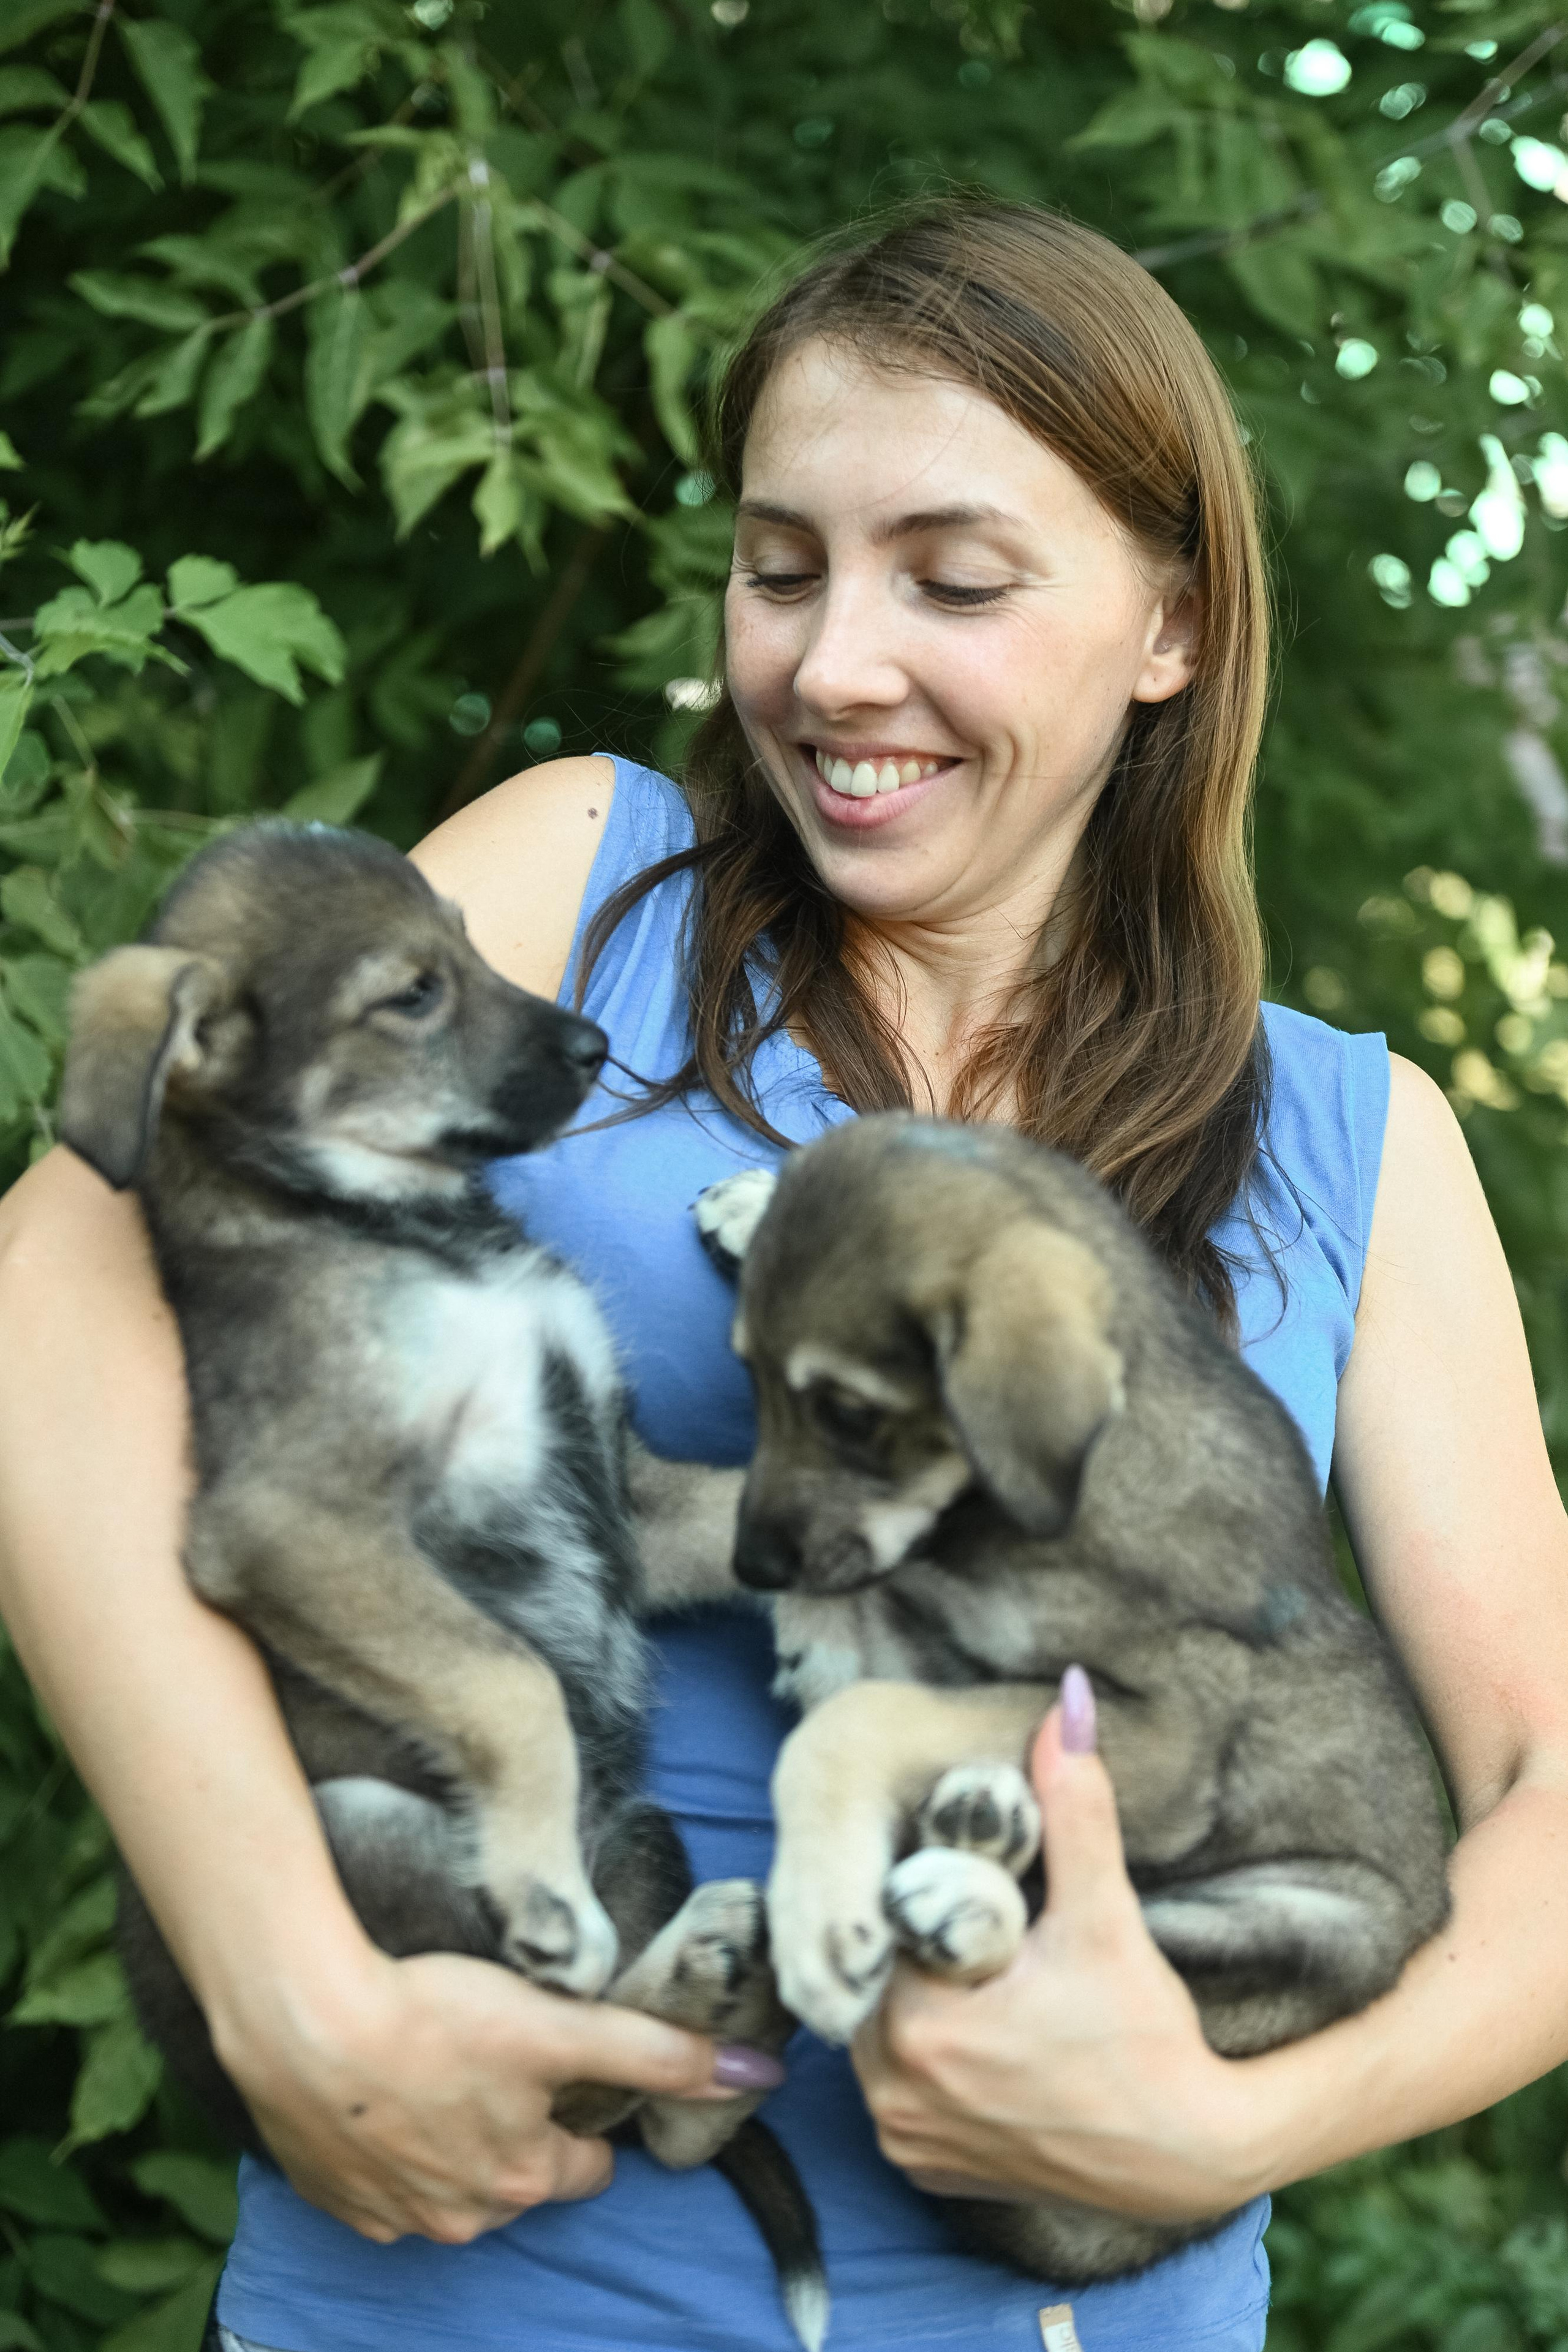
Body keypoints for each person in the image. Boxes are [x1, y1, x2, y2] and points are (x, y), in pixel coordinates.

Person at [3, 198, 1567, 2352]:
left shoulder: (1350, 1141)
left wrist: (1226, 2126)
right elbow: (45, 1307)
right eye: (779, 566)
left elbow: (1550, 1777)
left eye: (954, 580)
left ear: (1172, 627)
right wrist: (279, 1968)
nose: (830, 666)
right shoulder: (585, 892)